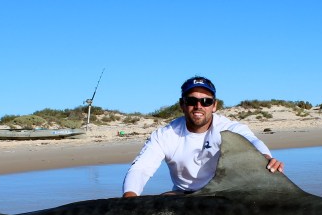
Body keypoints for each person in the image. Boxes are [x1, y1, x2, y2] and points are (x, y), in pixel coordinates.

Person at [122, 76, 284, 197]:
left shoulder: (228, 128)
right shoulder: (165, 135)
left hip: (224, 193)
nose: (198, 106)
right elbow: (141, 168)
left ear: (214, 106)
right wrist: (129, 198)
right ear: (182, 104)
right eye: (192, 100)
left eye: (206, 101)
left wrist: (265, 157)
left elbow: (253, 140)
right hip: (182, 195)